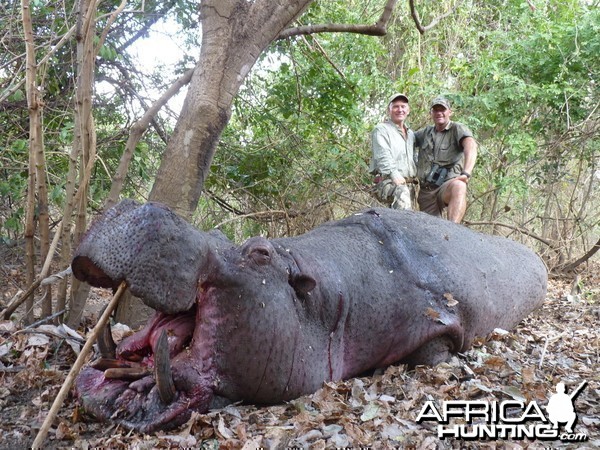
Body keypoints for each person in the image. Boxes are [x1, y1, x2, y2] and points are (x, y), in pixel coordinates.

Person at [414, 96, 478, 223]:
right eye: (435, 110)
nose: (439, 113)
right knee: (429, 231)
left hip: (446, 185)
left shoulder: (457, 129)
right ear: (431, 113)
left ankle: (453, 229)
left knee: (459, 186)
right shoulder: (425, 133)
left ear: (450, 112)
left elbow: (471, 145)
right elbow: (404, 140)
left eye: (442, 109)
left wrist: (466, 172)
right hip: (426, 191)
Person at [369, 93, 418, 210]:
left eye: (403, 106)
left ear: (408, 110)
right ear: (389, 110)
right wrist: (394, 174)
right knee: (402, 194)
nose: (400, 110)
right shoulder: (381, 130)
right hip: (388, 182)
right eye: (395, 106)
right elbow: (383, 156)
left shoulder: (411, 134)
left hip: (410, 184)